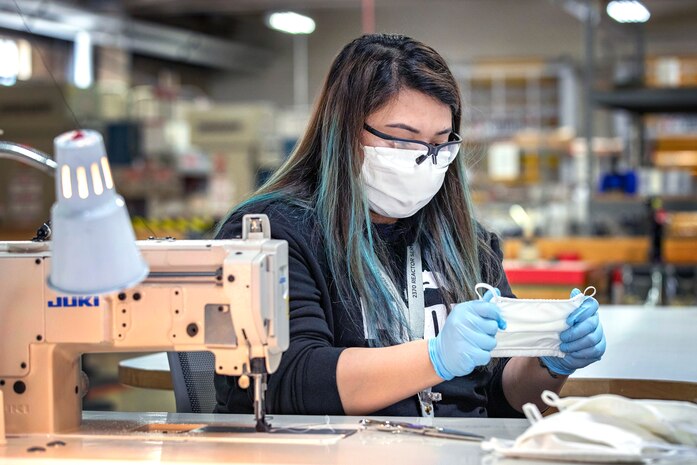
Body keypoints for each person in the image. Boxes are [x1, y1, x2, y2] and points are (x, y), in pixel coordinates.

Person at [214, 33, 606, 418]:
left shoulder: (465, 241)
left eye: (439, 144)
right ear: (344, 130)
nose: (424, 159)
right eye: (402, 141)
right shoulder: (272, 233)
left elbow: (502, 399)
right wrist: (435, 357)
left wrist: (548, 362)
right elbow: (283, 382)